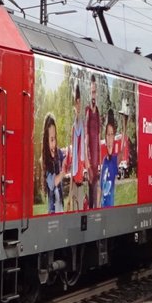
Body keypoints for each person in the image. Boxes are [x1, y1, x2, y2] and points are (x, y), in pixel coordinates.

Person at [42, 113, 68, 213]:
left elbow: (65, 158)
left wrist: (67, 160)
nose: (54, 143)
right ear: (46, 140)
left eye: (55, 138)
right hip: (53, 211)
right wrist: (63, 172)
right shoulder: (45, 161)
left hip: (60, 206)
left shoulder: (58, 153)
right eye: (51, 140)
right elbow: (53, 183)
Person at [68, 83, 86, 212]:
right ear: (74, 105)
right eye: (76, 103)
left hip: (81, 179)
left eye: (80, 102)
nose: (78, 106)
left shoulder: (82, 128)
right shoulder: (73, 129)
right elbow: (72, 156)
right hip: (74, 179)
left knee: (80, 209)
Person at [85, 74, 101, 208]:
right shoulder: (87, 111)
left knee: (96, 189)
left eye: (95, 92)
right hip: (90, 159)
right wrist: (88, 163)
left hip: (97, 160)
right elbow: (86, 138)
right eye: (91, 92)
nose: (93, 96)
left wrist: (99, 161)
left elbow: (99, 135)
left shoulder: (98, 112)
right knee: (91, 189)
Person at [100, 110, 119, 207]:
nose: (110, 137)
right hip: (102, 205)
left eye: (112, 134)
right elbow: (100, 187)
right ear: (105, 137)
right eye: (108, 134)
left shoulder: (115, 159)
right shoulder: (104, 161)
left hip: (110, 207)